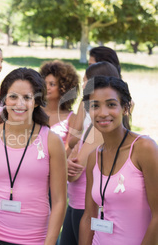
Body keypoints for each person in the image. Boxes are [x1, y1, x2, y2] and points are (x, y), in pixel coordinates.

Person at [0, 67, 67, 244]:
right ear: (4, 99)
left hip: (37, 239)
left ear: (37, 101)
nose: (19, 104)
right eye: (13, 96)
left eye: (27, 98)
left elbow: (60, 200)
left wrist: (50, 242)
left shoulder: (52, 141)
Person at [79, 76, 158, 244]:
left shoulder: (144, 149)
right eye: (95, 106)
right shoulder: (94, 156)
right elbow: (89, 216)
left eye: (111, 104)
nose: (103, 113)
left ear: (125, 108)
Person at [60, 62, 120, 245]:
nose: (83, 85)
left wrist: (71, 155)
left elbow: (74, 171)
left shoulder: (102, 127)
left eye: (87, 81)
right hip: (74, 198)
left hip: (86, 202)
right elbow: (71, 140)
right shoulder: (86, 107)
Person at [69, 46, 122, 149]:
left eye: (92, 65)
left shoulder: (120, 103)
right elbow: (72, 141)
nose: (88, 69)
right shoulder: (85, 101)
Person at [39, 60, 80, 150]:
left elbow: (69, 149)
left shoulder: (72, 118)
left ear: (64, 88)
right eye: (45, 83)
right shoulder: (35, 112)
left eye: (52, 84)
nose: (47, 87)